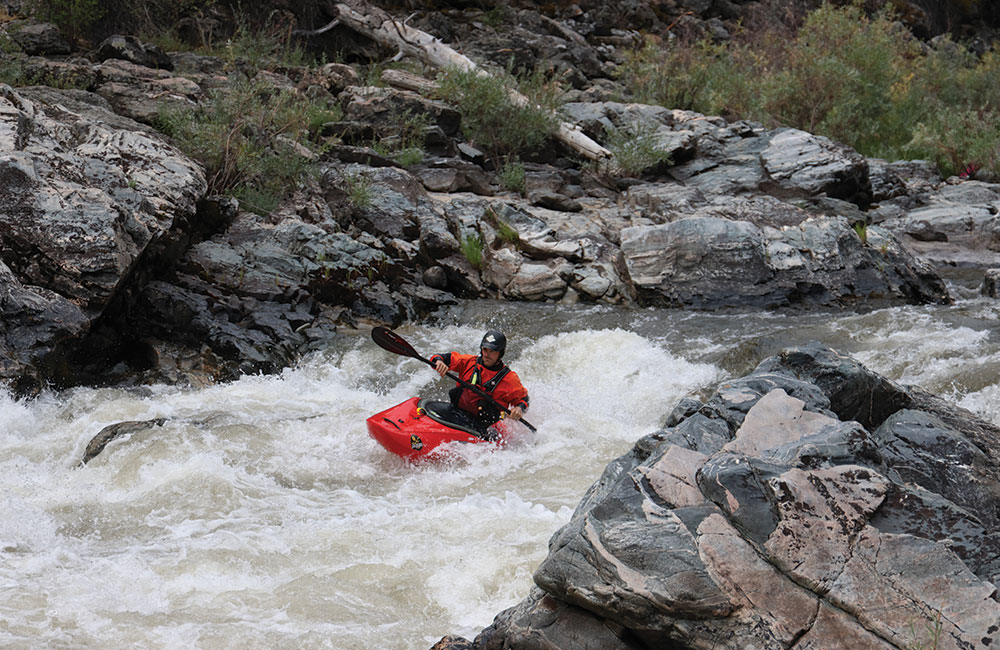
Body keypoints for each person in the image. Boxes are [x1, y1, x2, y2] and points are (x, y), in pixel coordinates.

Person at [429, 329, 529, 432]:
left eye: (492, 351)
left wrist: (519, 408)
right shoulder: (469, 362)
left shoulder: (509, 379)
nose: (487, 354)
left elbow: (524, 399)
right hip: (457, 413)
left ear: (501, 353)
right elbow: (441, 357)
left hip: (484, 428)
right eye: (485, 349)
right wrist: (439, 361)